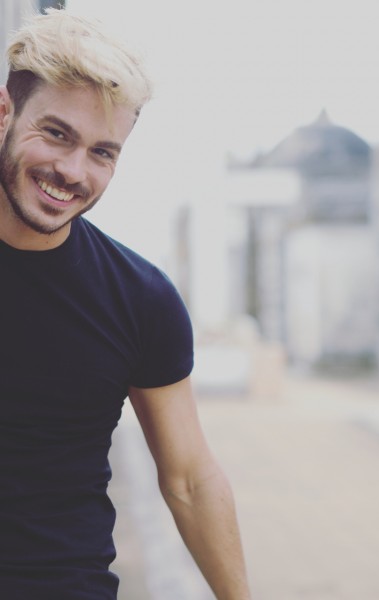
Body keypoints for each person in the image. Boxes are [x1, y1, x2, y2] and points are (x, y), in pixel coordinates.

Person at [0, 8, 251, 600]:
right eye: (56, 133)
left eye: (102, 152)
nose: (72, 171)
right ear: (4, 113)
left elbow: (189, 478)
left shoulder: (142, 299)